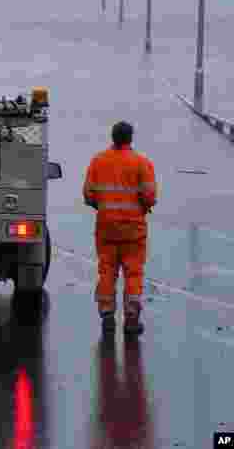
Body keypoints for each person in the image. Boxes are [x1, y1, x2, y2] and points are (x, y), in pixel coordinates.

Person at [83, 121, 157, 336]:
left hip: (106, 228)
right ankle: (132, 315)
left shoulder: (98, 162)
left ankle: (107, 312)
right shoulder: (142, 163)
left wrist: (102, 206)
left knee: (107, 269)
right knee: (133, 271)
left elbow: (88, 194)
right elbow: (150, 197)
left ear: (112, 137)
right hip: (134, 229)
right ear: (130, 138)